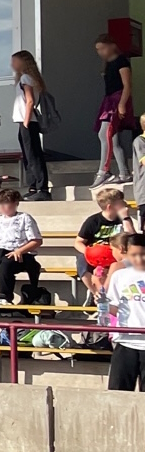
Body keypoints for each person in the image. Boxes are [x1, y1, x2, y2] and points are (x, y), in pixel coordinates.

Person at [99, 233, 145, 391]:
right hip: (125, 342)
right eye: (134, 255)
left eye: (142, 254)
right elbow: (114, 308)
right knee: (118, 393)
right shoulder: (120, 276)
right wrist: (103, 304)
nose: (138, 259)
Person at [94, 31, 135, 187]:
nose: (100, 52)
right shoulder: (108, 64)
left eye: (103, 48)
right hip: (109, 100)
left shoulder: (121, 62)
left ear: (112, 46)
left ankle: (104, 171)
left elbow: (127, 85)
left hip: (117, 100)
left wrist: (122, 104)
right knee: (112, 138)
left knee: (105, 133)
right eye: (98, 50)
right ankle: (124, 172)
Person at [10, 51, 52, 200]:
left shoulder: (26, 78)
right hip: (24, 121)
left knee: (33, 156)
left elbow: (30, 101)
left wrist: (26, 121)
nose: (12, 64)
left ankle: (42, 188)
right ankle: (33, 186)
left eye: (15, 61)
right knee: (28, 156)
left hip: (27, 121)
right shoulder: (26, 78)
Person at [77, 185, 138, 278]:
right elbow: (78, 242)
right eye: (121, 202)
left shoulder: (123, 219)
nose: (125, 203)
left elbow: (133, 238)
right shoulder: (93, 221)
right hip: (99, 255)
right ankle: (95, 287)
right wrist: (90, 253)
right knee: (82, 261)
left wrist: (125, 218)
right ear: (110, 207)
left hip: (117, 253)